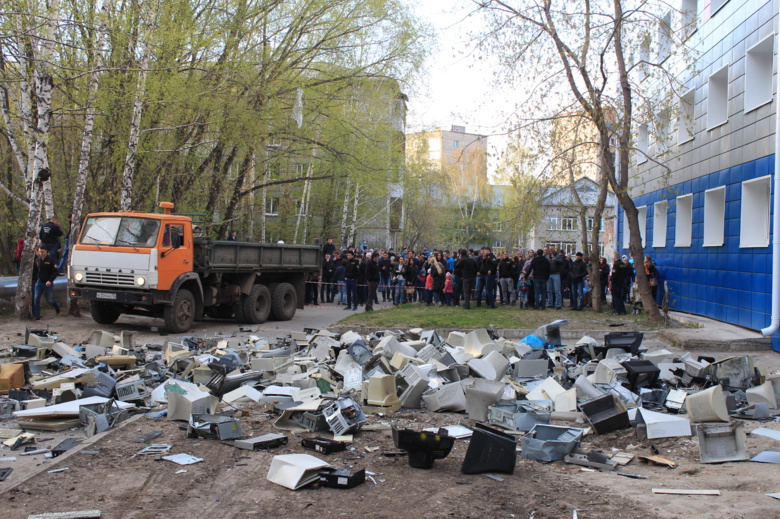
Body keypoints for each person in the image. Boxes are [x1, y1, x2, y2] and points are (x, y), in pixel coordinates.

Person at [32, 246, 61, 320]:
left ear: (46, 251)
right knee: (36, 298)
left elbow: (55, 272)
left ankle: (57, 306)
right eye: (40, 251)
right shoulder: (37, 260)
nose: (41, 253)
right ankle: (36, 315)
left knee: (49, 299)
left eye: (43, 252)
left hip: (48, 282)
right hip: (40, 282)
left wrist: (50, 281)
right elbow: (36, 271)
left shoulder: (50, 260)